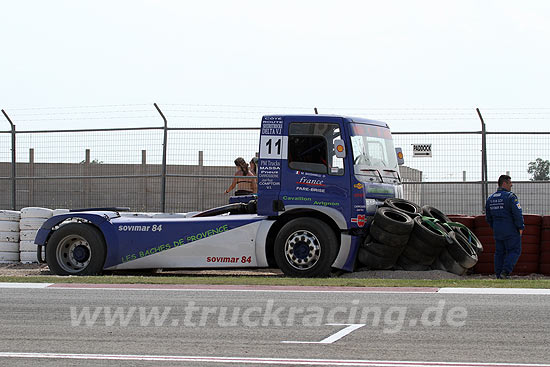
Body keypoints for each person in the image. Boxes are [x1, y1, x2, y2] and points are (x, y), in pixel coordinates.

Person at [485, 175, 524, 279]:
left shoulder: (490, 198)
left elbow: (488, 217)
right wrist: (520, 227)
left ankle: (498, 274)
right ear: (504, 183)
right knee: (515, 250)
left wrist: (495, 227)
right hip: (510, 229)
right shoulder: (510, 197)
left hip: (497, 230)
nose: (512, 185)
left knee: (499, 253)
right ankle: (505, 272)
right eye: (510, 182)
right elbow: (517, 214)